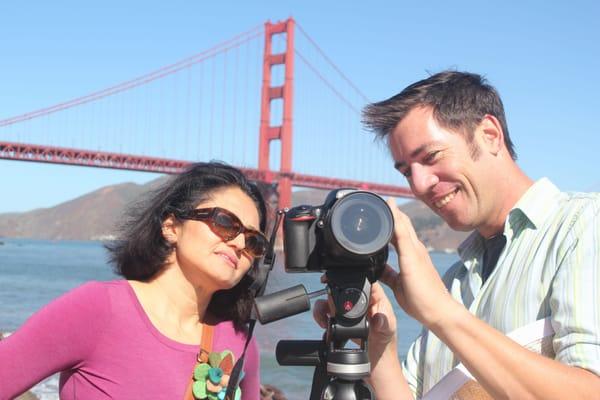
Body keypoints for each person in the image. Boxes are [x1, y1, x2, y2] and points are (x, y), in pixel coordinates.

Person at [315, 71, 600, 399]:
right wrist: (380, 345)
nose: (419, 185)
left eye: (431, 157)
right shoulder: (454, 279)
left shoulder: (584, 226)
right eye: (407, 171)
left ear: (490, 135)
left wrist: (440, 311)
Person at [0, 162, 269, 400]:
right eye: (224, 222)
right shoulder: (97, 308)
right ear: (171, 226)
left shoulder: (240, 341)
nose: (238, 243)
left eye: (253, 240)